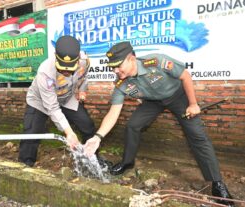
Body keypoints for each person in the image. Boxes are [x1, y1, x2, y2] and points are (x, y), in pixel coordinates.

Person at [83, 41, 235, 206]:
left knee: (197, 136)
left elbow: (185, 76)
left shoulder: (156, 61)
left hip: (178, 96)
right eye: (112, 67)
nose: (115, 71)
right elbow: (113, 112)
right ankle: (127, 162)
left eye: (118, 66)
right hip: (152, 102)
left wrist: (193, 104)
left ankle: (217, 183)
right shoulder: (121, 83)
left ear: (131, 58)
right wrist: (98, 137)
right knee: (133, 125)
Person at [18, 35, 96, 167]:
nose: (66, 72)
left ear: (78, 58)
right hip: (40, 102)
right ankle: (25, 165)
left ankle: (92, 158)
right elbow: (52, 107)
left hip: (66, 98)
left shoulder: (84, 61)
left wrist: (82, 89)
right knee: (31, 133)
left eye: (70, 69)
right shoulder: (45, 72)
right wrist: (69, 132)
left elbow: (84, 75)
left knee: (87, 124)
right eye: (62, 68)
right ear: (55, 55)